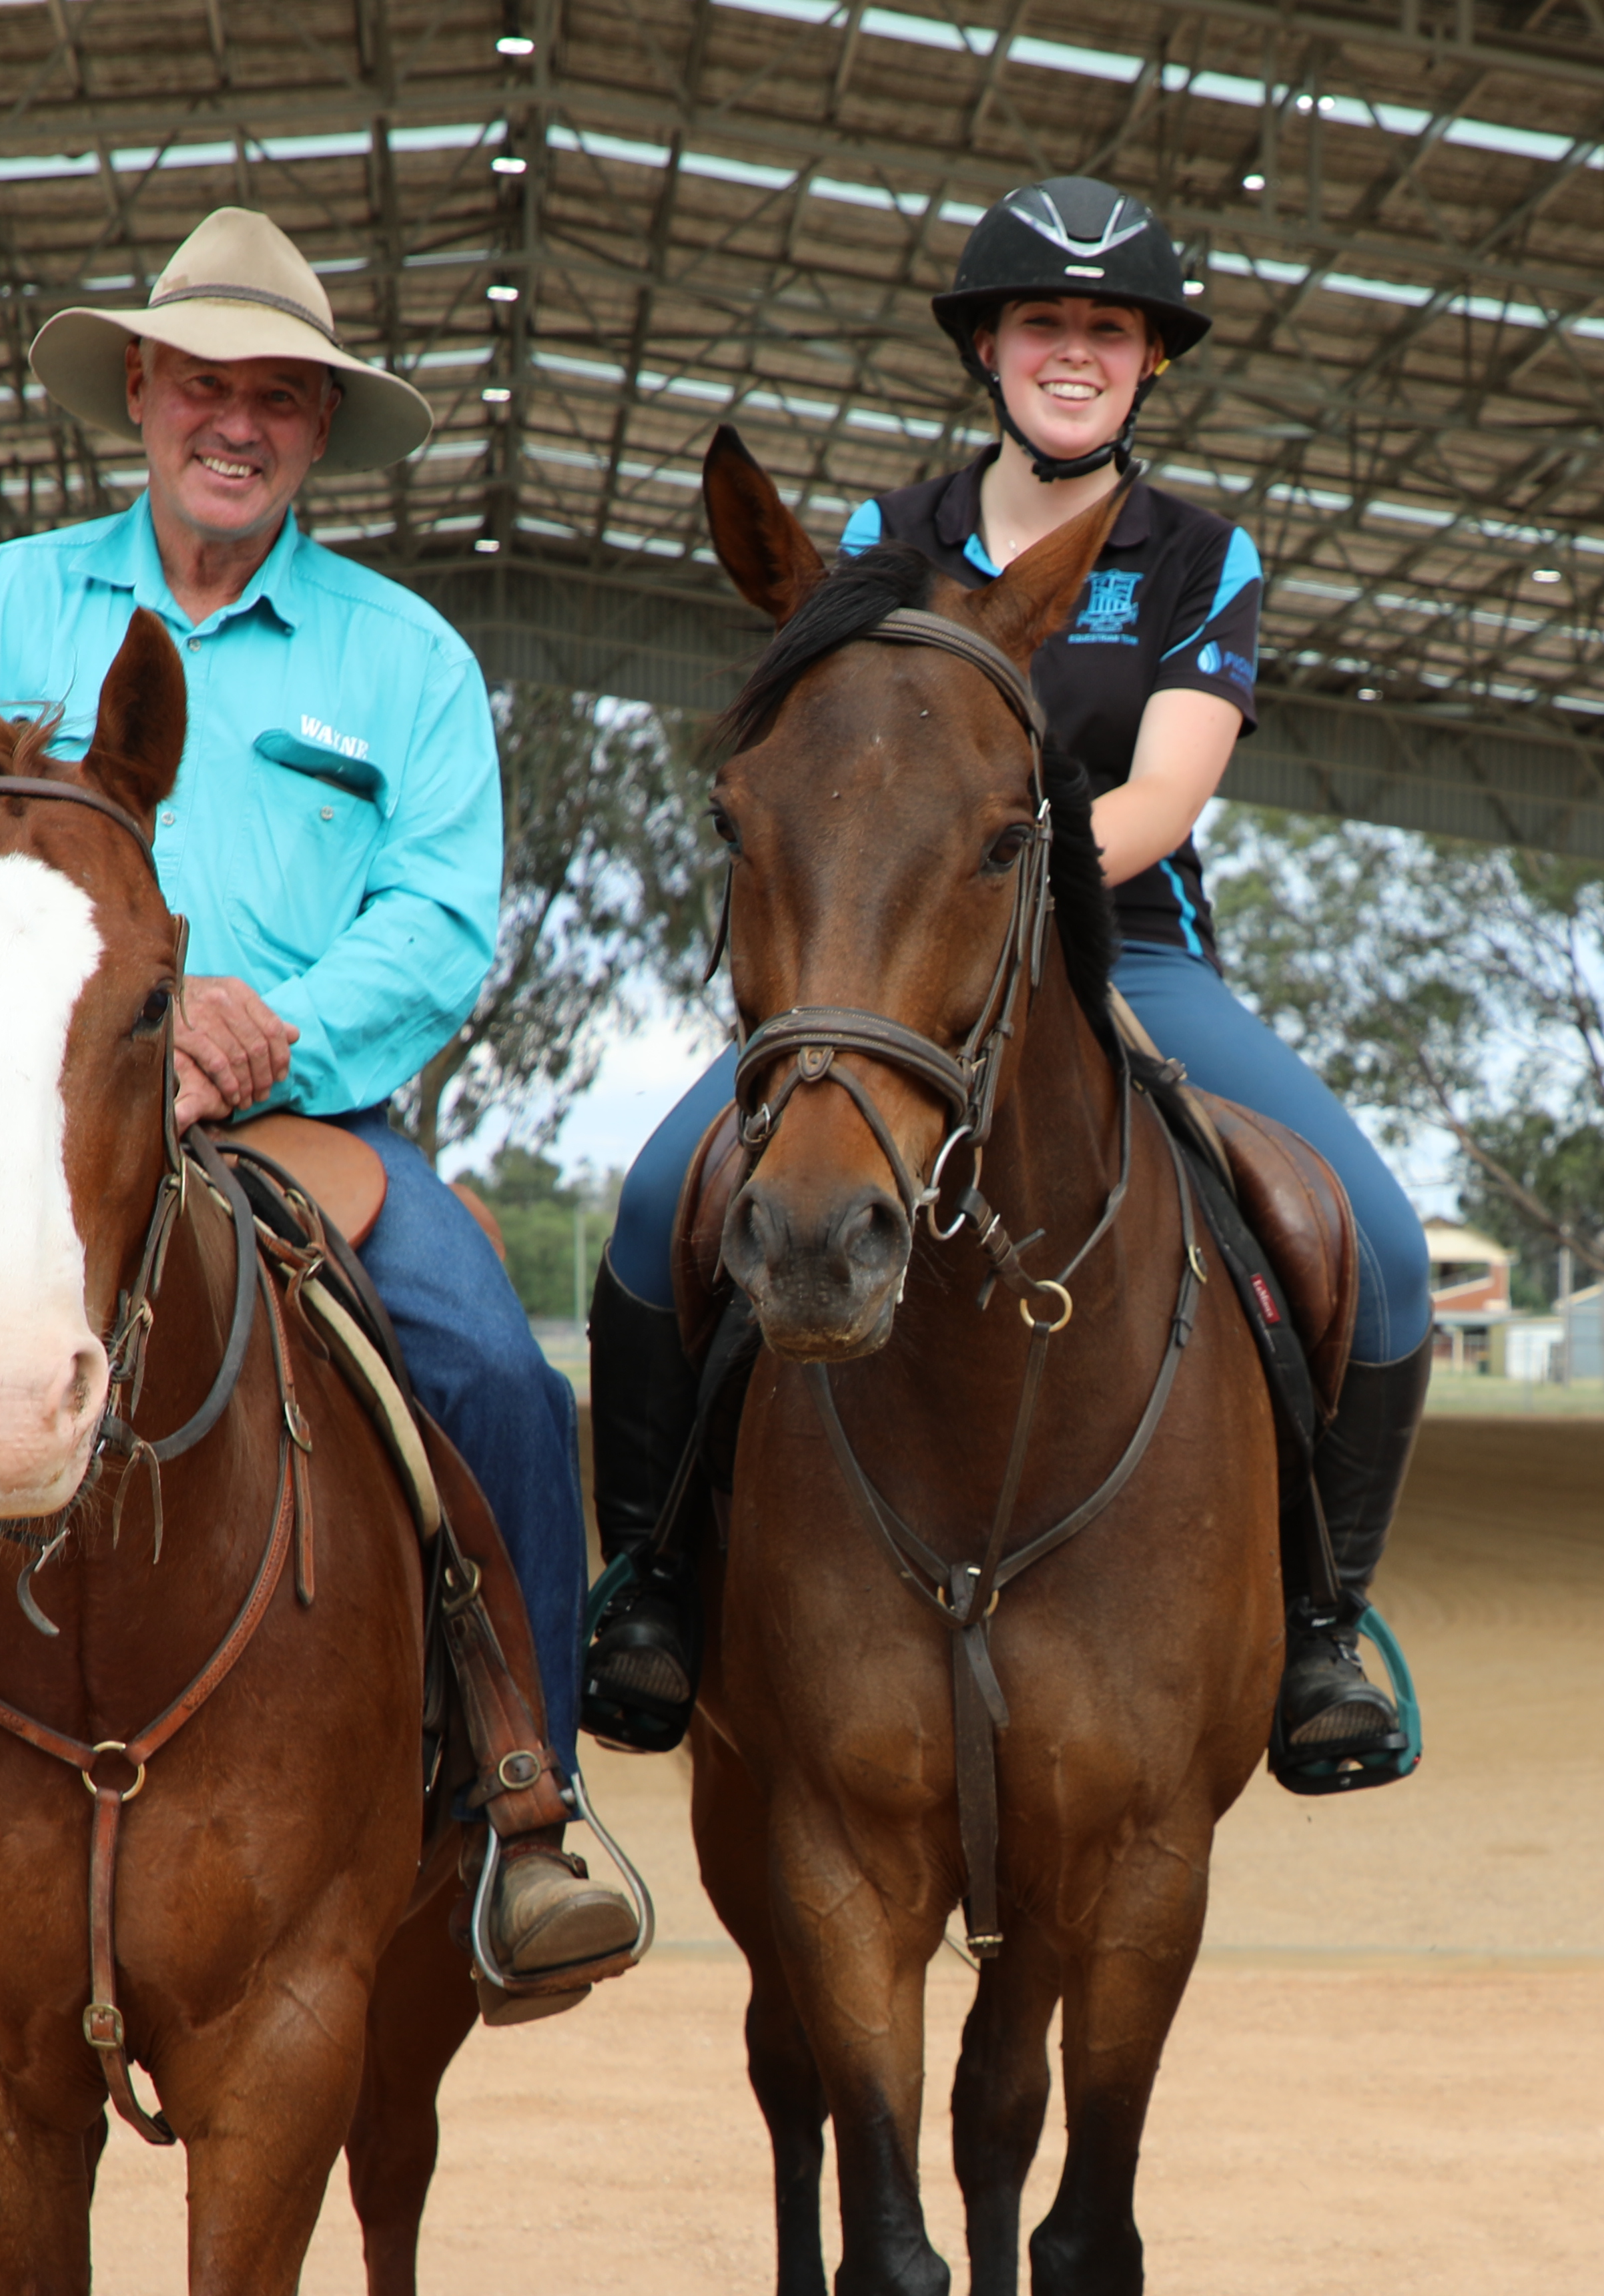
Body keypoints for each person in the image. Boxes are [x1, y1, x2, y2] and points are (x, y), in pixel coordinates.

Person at [0, 206, 639, 2006]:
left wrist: (276, 1029)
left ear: (317, 430)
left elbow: (443, 918)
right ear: (142, 397)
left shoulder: (403, 657)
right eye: (200, 385)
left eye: (275, 397)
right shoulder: (0, 607)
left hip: (300, 1125)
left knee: (493, 1379)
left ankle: (522, 1809)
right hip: (25, 1122)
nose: (233, 423)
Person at [580, 174, 1436, 1794]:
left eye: (1108, 329)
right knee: (650, 1213)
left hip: (1132, 946)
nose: (1074, 351)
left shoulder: (1197, 555)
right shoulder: (888, 538)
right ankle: (654, 1584)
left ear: (1149, 363)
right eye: (1044, 320)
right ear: (989, 343)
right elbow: (845, 768)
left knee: (1379, 1250)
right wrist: (913, 901)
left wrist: (1013, 878)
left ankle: (1325, 1620)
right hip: (892, 960)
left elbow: (1167, 799)